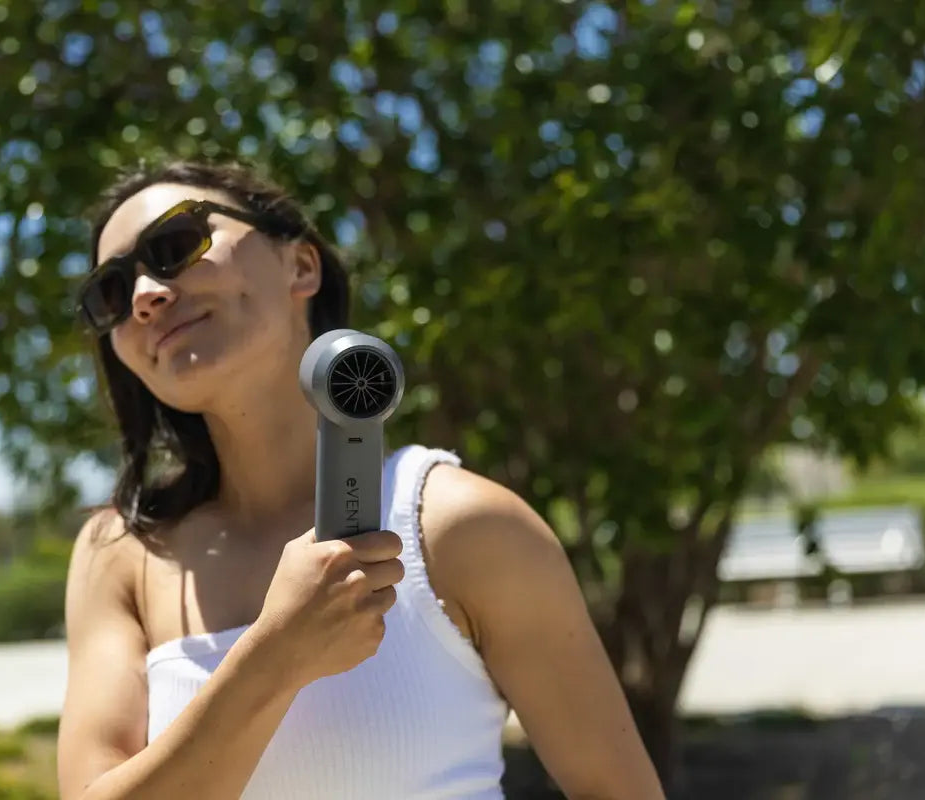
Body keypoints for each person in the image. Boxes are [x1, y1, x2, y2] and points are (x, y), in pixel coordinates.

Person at [55, 158, 665, 800]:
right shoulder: (121, 555)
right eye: (112, 292)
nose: (146, 294)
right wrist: (275, 658)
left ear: (300, 265)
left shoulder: (460, 527)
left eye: (174, 246)